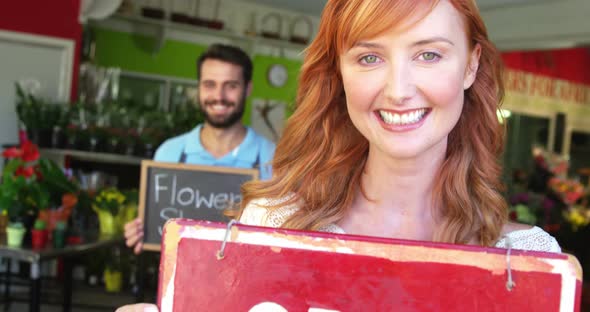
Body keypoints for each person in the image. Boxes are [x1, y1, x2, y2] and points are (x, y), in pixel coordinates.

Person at [117, 0, 559, 310]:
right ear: (340, 72)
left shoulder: (527, 261)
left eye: (428, 54)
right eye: (369, 58)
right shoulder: (272, 228)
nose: (399, 90)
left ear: (470, 65)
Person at [124, 44, 275, 254]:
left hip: (248, 280)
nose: (219, 96)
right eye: (209, 84)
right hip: (181, 282)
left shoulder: (274, 159)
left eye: (231, 85)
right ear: (199, 88)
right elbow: (157, 224)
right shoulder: (169, 154)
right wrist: (142, 231)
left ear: (247, 88)